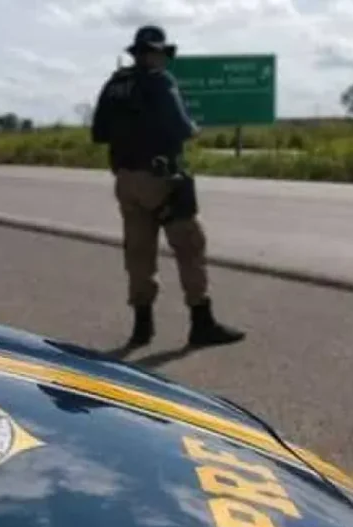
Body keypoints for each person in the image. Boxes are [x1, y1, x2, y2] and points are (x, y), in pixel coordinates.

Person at [92, 25, 244, 349]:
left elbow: (99, 132)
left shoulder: (116, 84)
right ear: (154, 53)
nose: (163, 58)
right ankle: (201, 323)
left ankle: (142, 328)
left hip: (126, 180)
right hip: (161, 179)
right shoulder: (160, 81)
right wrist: (191, 128)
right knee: (190, 246)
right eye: (161, 53)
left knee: (138, 253)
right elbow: (182, 127)